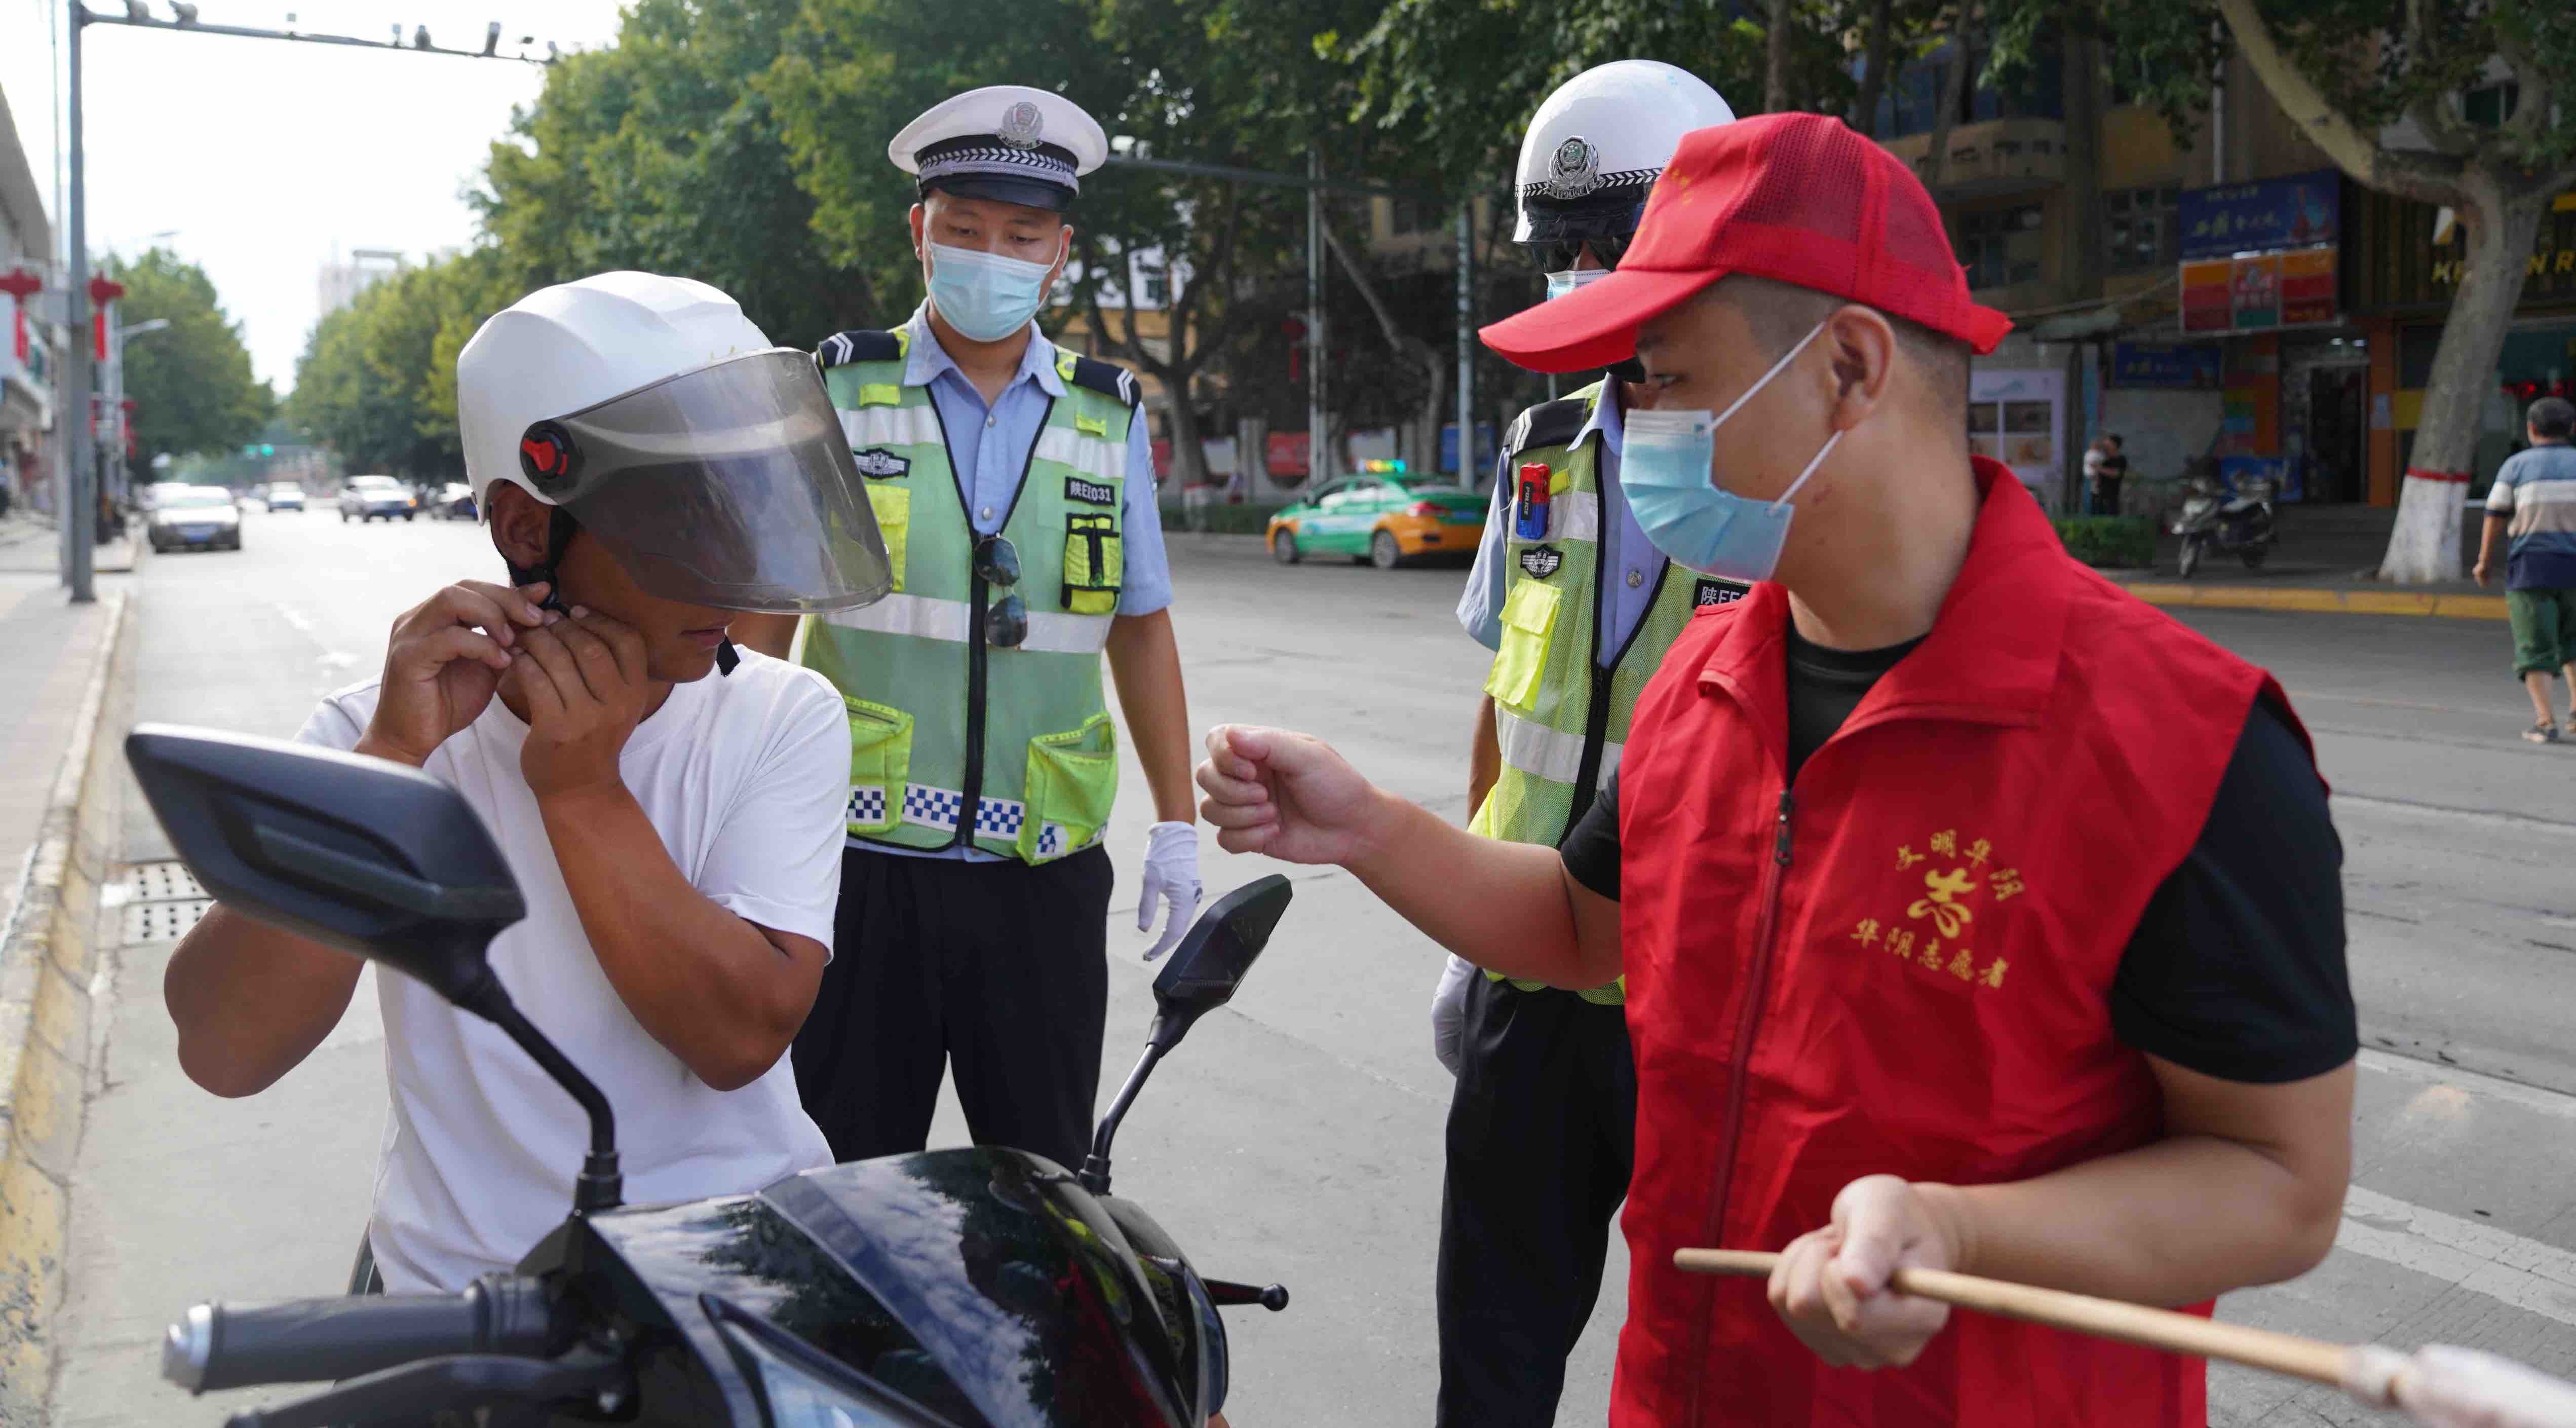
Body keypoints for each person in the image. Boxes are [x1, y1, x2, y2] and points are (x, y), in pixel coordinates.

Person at [1196, 113, 2358, 1428]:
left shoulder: (2185, 744)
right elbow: (1577, 927)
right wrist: (1365, 827)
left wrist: (1962, 1233)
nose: (1630, 423)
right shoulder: (1707, 681)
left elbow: (2278, 1180)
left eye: (1662, 380)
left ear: (1848, 367)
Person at [162, 272, 891, 1292]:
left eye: (746, 511)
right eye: (687, 520)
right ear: (524, 526)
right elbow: (226, 1050)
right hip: (457, 1292)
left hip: (732, 1272)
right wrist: (387, 762)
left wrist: (582, 791)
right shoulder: (375, 733)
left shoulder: (780, 714)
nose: (731, 569)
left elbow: (739, 1036)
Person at [734, 86, 1201, 1175]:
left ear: (1058, 255)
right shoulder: (839, 389)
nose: (992, 256)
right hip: (856, 868)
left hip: (1042, 873)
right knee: (844, 1177)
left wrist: (1177, 823)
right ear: (920, 231)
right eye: (966, 229)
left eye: (1022, 236)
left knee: (1041, 1184)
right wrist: (722, 803)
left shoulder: (1109, 413)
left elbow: (1139, 624)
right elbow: (765, 618)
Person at [1429, 59, 1735, 1428]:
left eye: (1613, 236)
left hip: (1705, 998)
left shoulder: (1778, 461)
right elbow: (1507, 697)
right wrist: (1464, 931)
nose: (1583, 270)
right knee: (1491, 1352)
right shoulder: (1538, 446)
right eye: (1561, 244)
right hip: (1528, 974)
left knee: (1708, 1368)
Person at [2473, 395, 2576, 743]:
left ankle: (2545, 722)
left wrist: (2484, 562)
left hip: (2532, 570)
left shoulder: (2515, 467)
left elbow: (2495, 516)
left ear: (2530, 429)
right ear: (2571, 429)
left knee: (2534, 647)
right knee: (2574, 643)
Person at [2084, 432, 2128, 515]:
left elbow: (2116, 474)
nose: (2105, 445)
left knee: (2109, 517)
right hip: (2097, 494)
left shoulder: (2120, 459)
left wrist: (2098, 468)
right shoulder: (2103, 458)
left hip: (2111, 496)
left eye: (2108, 443)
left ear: (2114, 445)